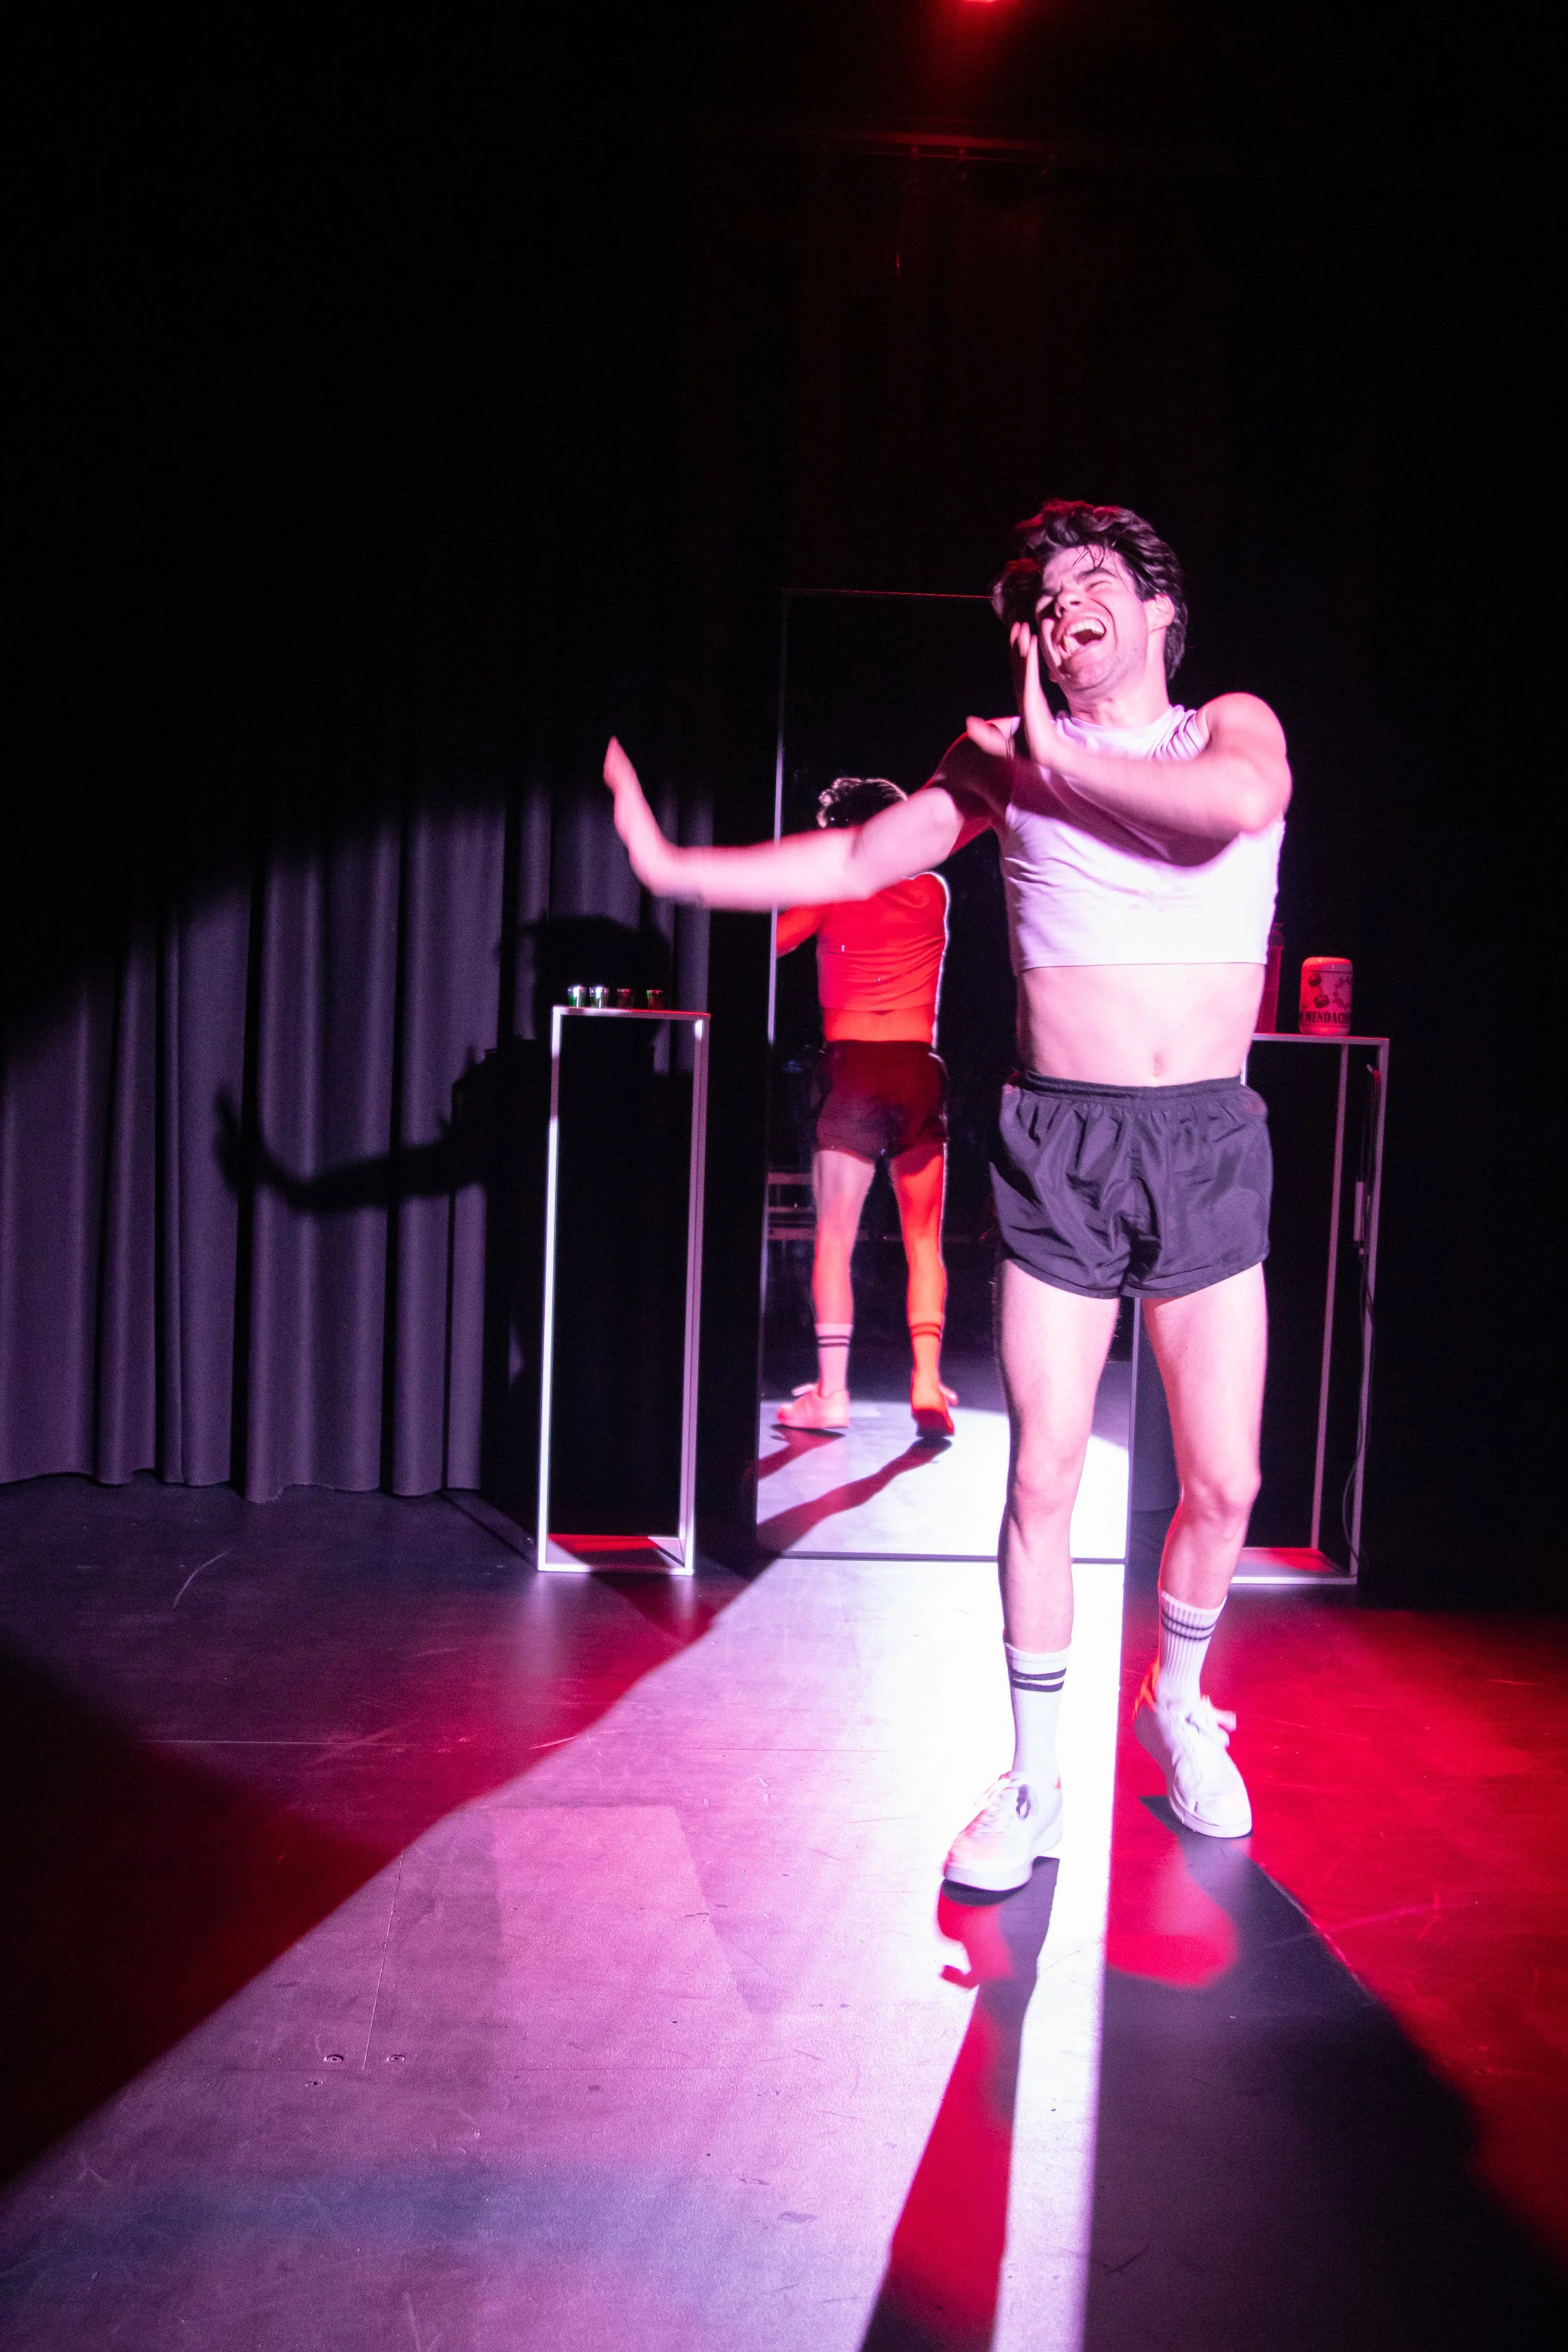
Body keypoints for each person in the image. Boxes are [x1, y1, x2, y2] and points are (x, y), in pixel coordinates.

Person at [603, 500, 1290, 1885]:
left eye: (1091, 581)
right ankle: (1032, 1780)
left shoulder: (1228, 724)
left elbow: (1233, 811)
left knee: (1224, 1481)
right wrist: (677, 870)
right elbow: (858, 860)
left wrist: (1054, 760)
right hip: (1064, 1140)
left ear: (1159, 617)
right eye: (1040, 595)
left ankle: (1175, 1706)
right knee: (1038, 1471)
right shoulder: (994, 764)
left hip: (1204, 1138)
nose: (1058, 605)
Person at [774, 775, 956, 1441]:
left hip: (852, 1069)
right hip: (917, 1069)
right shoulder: (934, 891)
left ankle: (832, 1392)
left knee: (835, 1238)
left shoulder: (836, 890)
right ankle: (928, 1379)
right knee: (923, 1240)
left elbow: (774, 942)